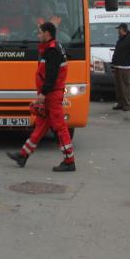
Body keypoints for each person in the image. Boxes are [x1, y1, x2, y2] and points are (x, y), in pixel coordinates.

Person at [6, 22, 76, 172]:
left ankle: (69, 161)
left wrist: (43, 94)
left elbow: (51, 75)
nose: (38, 35)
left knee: (59, 127)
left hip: (52, 94)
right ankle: (23, 155)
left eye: (40, 33)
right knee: (41, 125)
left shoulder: (52, 51)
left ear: (47, 34)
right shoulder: (55, 47)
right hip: (51, 93)